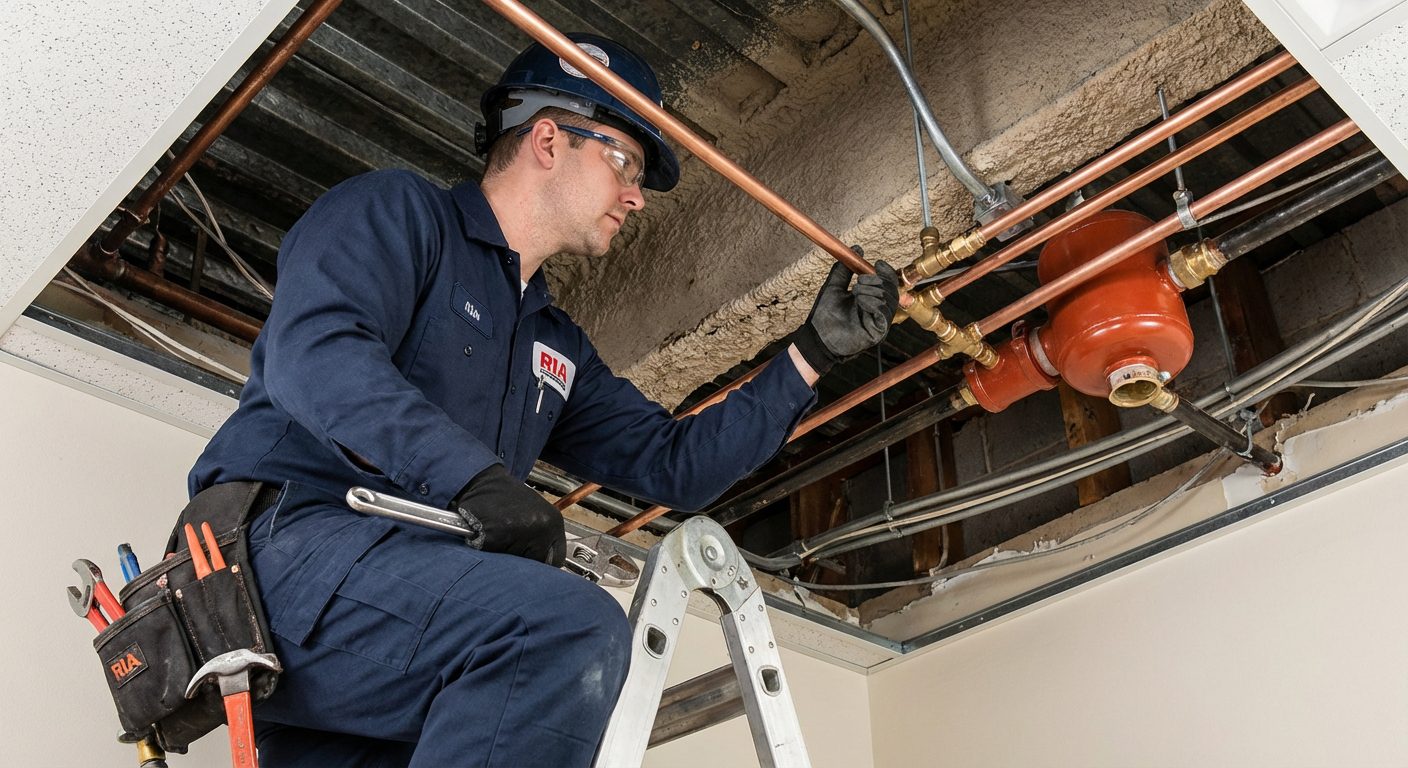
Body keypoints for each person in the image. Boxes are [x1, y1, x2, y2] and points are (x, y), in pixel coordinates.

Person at [185, 32, 900, 766]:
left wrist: (812, 355)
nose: (636, 196)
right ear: (549, 140)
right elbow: (318, 357)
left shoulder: (551, 343)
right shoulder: (400, 214)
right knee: (563, 631)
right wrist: (474, 480)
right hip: (280, 562)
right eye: (625, 162)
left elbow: (673, 463)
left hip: (397, 627)